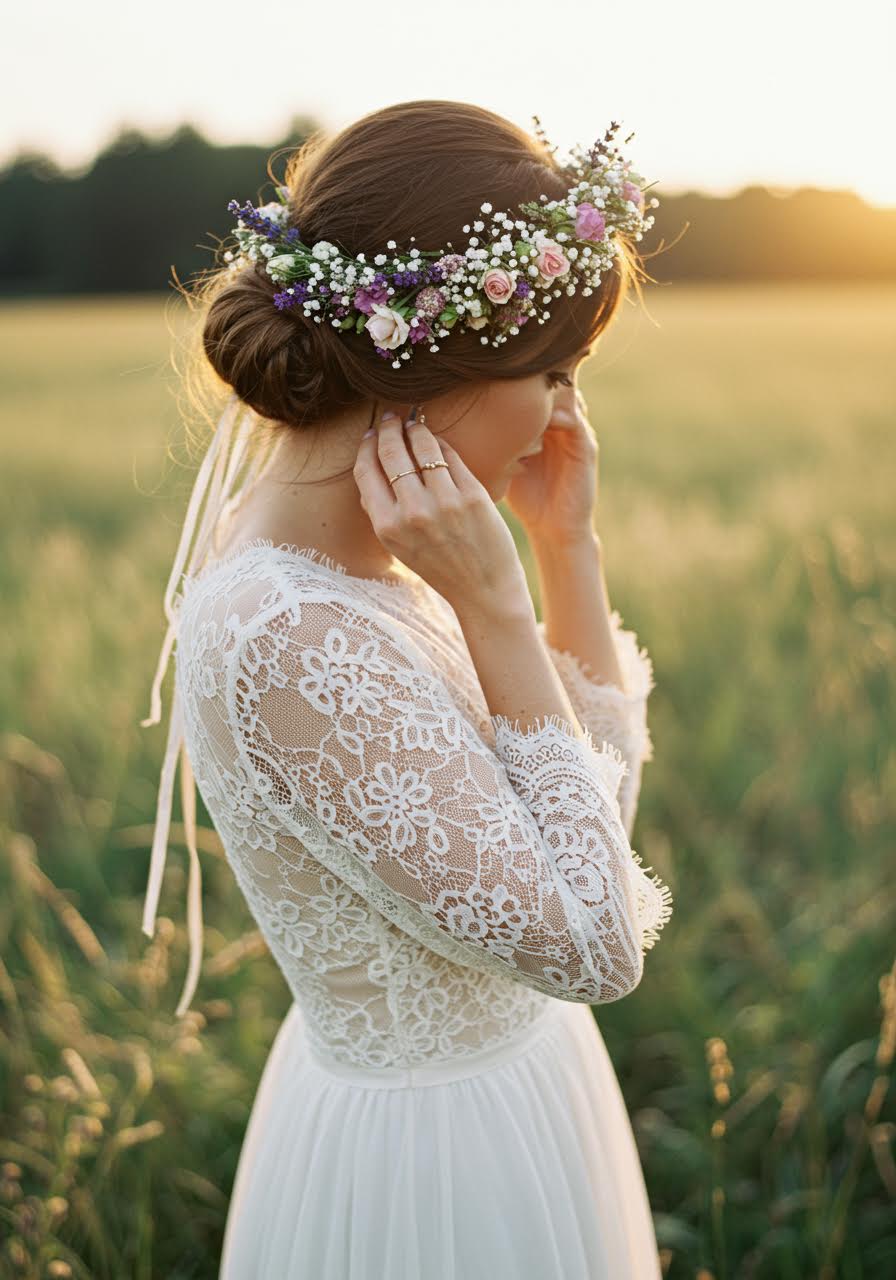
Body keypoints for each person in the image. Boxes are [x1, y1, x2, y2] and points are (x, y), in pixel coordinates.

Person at [140, 98, 674, 1278]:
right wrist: (492, 609)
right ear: (431, 366)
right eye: (551, 370)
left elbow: (593, 841)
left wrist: (560, 554)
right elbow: (593, 947)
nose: (561, 412)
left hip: (528, 1092)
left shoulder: (380, 563)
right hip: (433, 1160)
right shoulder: (287, 629)